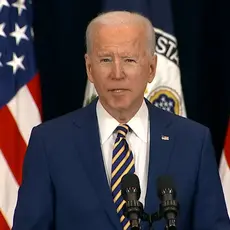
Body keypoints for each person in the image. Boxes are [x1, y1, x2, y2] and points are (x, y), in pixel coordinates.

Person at [12, 11, 230, 230]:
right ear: (89, 68)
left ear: (151, 68)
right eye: (106, 59)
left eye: (129, 60)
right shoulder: (49, 143)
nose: (117, 73)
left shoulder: (193, 141)